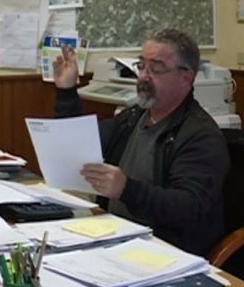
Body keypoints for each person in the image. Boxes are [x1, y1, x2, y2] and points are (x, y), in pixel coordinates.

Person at [53, 29, 229, 256]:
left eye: (156, 69)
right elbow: (80, 142)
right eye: (141, 66)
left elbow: (186, 208)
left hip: (165, 253)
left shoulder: (201, 136)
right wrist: (67, 91)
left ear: (186, 78)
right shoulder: (134, 117)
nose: (144, 76)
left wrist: (126, 189)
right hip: (115, 237)